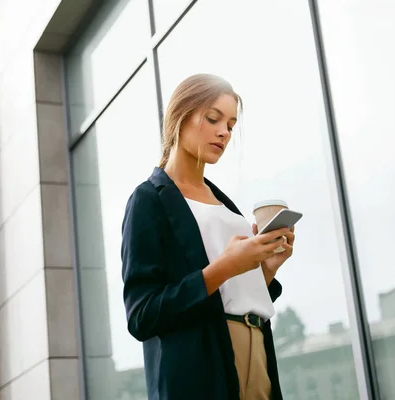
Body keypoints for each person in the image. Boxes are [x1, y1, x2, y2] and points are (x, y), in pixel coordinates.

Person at [121, 73, 295, 400]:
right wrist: (226, 266)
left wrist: (266, 270)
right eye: (213, 119)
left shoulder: (225, 205)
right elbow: (142, 315)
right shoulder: (149, 200)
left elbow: (236, 294)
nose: (223, 133)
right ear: (180, 117)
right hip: (200, 368)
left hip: (257, 351)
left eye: (230, 125)